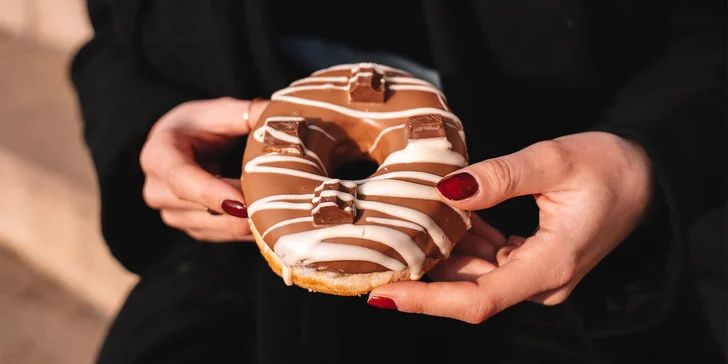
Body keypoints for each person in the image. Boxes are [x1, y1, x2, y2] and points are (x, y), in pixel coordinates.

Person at [70, 1, 726, 363]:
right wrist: (147, 130)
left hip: (545, 237)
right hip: (232, 246)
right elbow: (110, 40)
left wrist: (642, 159)